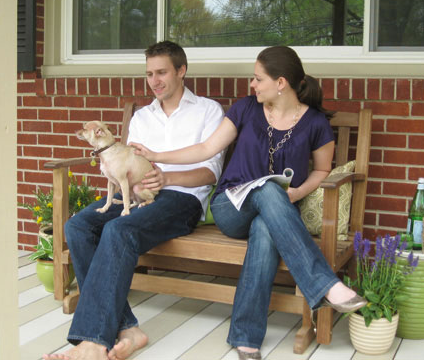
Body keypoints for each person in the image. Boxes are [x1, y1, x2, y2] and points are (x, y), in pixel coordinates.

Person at [131, 46, 367, 360]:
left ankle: (246, 338)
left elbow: (323, 170)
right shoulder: (246, 109)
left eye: (258, 79)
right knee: (268, 191)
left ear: (280, 83)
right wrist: (156, 156)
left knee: (266, 227)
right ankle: (325, 284)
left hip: (276, 212)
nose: (251, 85)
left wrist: (297, 193)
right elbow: (206, 149)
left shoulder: (315, 123)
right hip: (231, 207)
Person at [42, 41, 225, 360]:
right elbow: (125, 165)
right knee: (79, 226)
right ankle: (127, 328)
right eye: (149, 74)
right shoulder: (142, 117)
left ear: (181, 71)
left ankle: (93, 341)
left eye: (162, 72)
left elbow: (211, 172)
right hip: (138, 194)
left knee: (118, 230)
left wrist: (167, 178)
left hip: (182, 200)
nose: (154, 81)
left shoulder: (208, 111)